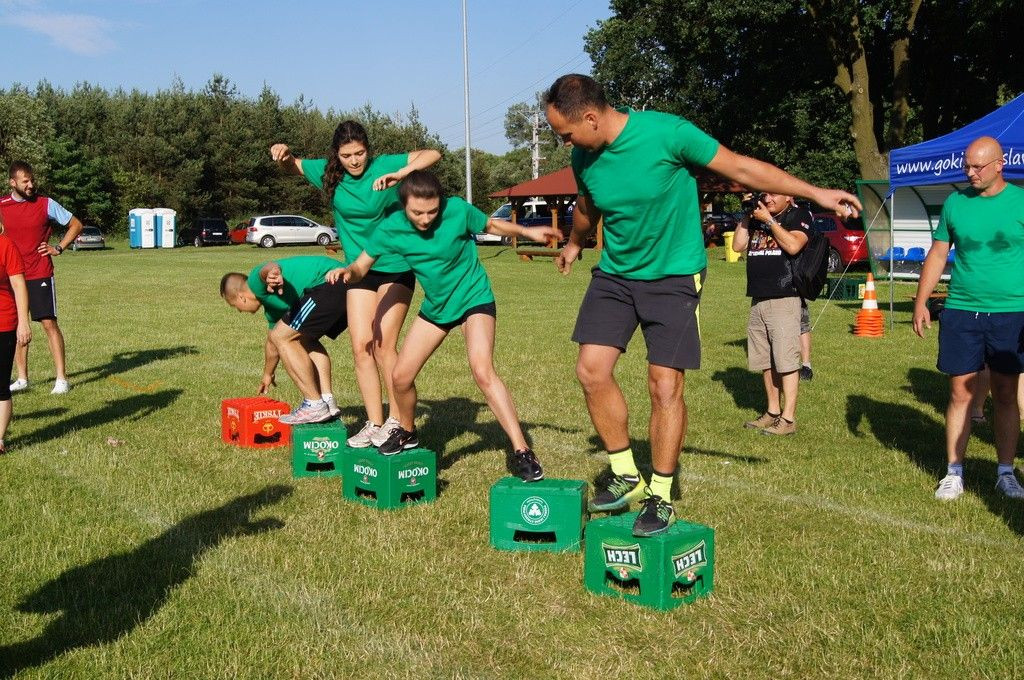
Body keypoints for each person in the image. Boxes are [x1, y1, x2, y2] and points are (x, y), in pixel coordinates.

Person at [544, 74, 860, 537]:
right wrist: (575, 242)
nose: (565, 143)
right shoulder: (584, 155)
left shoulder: (667, 133)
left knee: (664, 385)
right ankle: (626, 474)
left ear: (591, 117)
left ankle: (661, 494)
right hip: (616, 273)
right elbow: (588, 205)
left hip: (673, 275)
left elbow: (742, 169)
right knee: (591, 371)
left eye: (566, 134)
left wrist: (817, 193)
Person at [328, 170, 559, 481]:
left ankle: (521, 450)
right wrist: (348, 273)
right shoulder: (391, 227)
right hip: (437, 307)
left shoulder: (458, 210)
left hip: (474, 297)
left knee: (482, 370)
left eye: (432, 211)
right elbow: (361, 265)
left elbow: (491, 225)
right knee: (400, 377)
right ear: (403, 206)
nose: (426, 219)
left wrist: (528, 232)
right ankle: (407, 431)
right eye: (417, 213)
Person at [270, 122, 441, 445]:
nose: (354, 161)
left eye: (360, 153)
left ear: (368, 149)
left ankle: (398, 422)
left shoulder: (383, 165)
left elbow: (432, 154)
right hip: (359, 271)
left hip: (395, 266)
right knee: (361, 347)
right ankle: (375, 422)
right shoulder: (328, 173)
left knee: (383, 345)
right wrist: (284, 155)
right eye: (347, 155)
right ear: (336, 154)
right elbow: (291, 166)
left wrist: (403, 173)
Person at [913, 135, 1024, 501]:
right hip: (962, 310)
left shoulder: (1020, 202)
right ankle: (953, 472)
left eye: (977, 166)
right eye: (966, 166)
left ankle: (1005, 472)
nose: (969, 173)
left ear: (999, 165)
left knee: (1005, 392)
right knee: (960, 391)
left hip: (1012, 313)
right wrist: (921, 301)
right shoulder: (955, 203)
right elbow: (938, 253)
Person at [220, 255, 347, 425]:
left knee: (283, 336)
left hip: (331, 280)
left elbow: (266, 268)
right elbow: (272, 343)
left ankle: (314, 404)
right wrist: (268, 374)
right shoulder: (272, 307)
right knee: (303, 339)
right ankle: (327, 400)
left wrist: (273, 271)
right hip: (342, 283)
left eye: (235, 306)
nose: (239, 311)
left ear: (241, 297)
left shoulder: (254, 283)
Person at [732, 192, 813, 435]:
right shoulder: (756, 218)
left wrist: (768, 220)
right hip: (758, 297)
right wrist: (747, 214)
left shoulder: (798, 215)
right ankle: (772, 411)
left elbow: (794, 245)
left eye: (773, 194)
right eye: (764, 194)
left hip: (784, 295)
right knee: (766, 360)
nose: (768, 199)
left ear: (788, 196)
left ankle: (788, 419)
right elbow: (737, 246)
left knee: (785, 360)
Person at [0, 161, 83, 395]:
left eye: (32, 180)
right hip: (12, 276)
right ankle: (22, 378)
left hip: (40, 273)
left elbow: (76, 224)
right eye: (25, 181)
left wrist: (59, 247)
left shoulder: (46, 204)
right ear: (12, 183)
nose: (30, 185)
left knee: (48, 323)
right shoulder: (2, 205)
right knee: (16, 324)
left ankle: (61, 379)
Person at [0, 215, 33, 453]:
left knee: (0, 383)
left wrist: (23, 322)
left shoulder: (5, 245)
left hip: (3, 322)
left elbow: (19, 285)